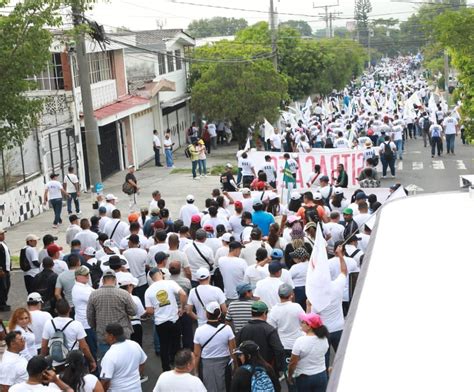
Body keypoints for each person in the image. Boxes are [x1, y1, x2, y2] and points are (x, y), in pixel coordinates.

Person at [145, 268, 187, 371]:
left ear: (151, 278)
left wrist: (159, 310)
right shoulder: (170, 283)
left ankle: (166, 368)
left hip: (160, 322)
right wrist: (181, 307)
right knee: (176, 343)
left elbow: (149, 310)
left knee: (164, 345)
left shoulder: (148, 291)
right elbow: (183, 294)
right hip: (174, 319)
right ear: (160, 273)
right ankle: (178, 364)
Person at [86, 270, 136, 357]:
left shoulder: (93, 295)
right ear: (115, 280)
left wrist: (96, 327)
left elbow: (90, 316)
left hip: (103, 334)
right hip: (122, 334)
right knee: (124, 362)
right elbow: (133, 311)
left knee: (107, 363)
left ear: (102, 280)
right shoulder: (124, 294)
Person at [41, 299, 96, 371]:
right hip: (74, 361)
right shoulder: (76, 324)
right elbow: (84, 347)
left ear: (55, 310)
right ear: (69, 309)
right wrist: (92, 360)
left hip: (56, 363)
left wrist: (42, 361)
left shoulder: (49, 323)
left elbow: (44, 345)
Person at [193, 301, 236, 392]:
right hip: (224, 363)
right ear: (219, 314)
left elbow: (197, 354)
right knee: (225, 387)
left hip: (207, 364)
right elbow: (233, 350)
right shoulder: (227, 329)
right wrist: (235, 367)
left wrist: (195, 371)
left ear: (207, 314)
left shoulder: (199, 331)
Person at [267, 284, 304, 389]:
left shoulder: (274, 310)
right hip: (299, 344)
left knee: (289, 374)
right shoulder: (297, 307)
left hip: (284, 346)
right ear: (291, 295)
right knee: (302, 371)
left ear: (279, 295)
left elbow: (271, 328)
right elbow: (305, 322)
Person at [236, 301, 285, 373]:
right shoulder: (270, 330)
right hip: (266, 370)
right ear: (265, 313)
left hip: (247, 370)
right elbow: (279, 350)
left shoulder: (242, 330)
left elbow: (238, 350)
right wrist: (277, 368)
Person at [287, 313, 329, 392]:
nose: (301, 324)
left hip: (304, 378)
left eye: (303, 322)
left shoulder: (300, 341)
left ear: (309, 326)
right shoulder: (324, 339)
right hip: (321, 375)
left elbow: (293, 362)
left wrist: (289, 376)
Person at [100, 323, 147, 391]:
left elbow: (105, 381)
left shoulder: (110, 355)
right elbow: (142, 362)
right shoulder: (135, 345)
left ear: (111, 336)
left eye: (106, 334)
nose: (105, 336)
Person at [71, 266, 97, 360]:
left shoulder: (84, 286)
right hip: (86, 324)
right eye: (85, 275)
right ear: (77, 276)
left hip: (88, 322)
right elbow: (96, 298)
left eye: (88, 274)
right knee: (91, 350)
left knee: (93, 349)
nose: (88, 276)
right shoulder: (79, 289)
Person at [9, 355, 73, 392]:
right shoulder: (51, 391)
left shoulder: (13, 389)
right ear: (44, 373)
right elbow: (69, 390)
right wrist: (56, 380)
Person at [0, 228, 11, 311]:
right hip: (2, 270)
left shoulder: (3, 243)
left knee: (7, 286)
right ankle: (2, 304)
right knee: (2, 287)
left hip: (7, 269)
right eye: (1, 234)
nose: (3, 236)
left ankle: (4, 302)